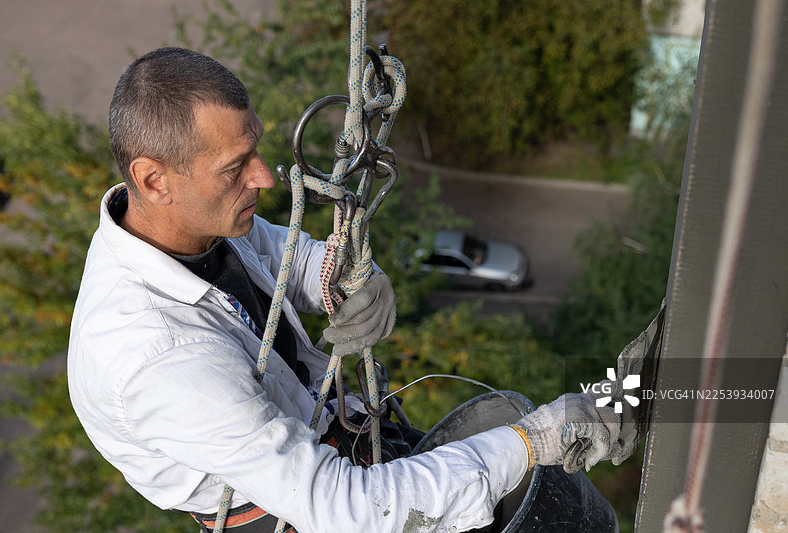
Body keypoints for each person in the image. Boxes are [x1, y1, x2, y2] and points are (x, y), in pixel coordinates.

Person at [67, 47, 621, 533]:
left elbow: (280, 253)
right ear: (154, 179)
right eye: (235, 168)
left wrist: (349, 279)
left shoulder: (183, 219)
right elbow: (350, 511)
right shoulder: (160, 359)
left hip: (330, 436)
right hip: (298, 511)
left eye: (254, 148)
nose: (264, 177)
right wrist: (532, 443)